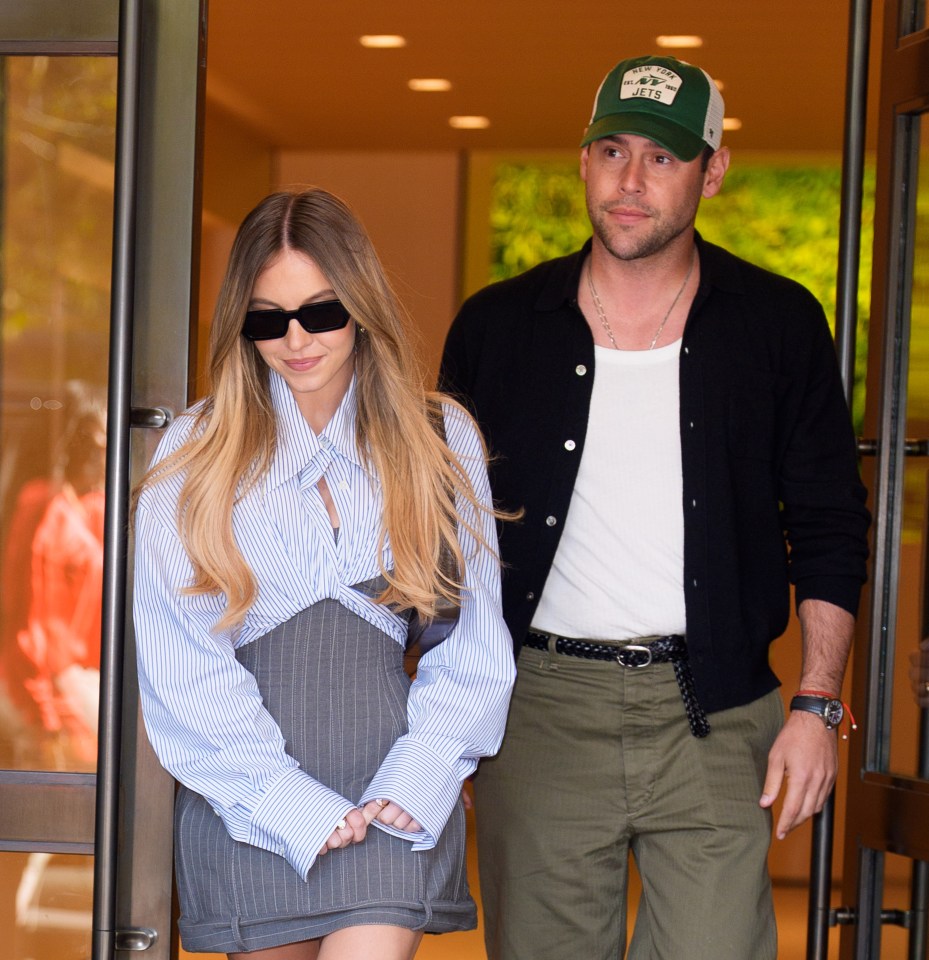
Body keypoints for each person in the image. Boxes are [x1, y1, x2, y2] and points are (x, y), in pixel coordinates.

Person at [439, 54, 871, 960]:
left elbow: (830, 524)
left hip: (714, 712)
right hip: (540, 713)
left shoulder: (776, 323)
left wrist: (817, 705)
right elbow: (446, 533)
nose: (630, 182)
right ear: (584, 159)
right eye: (612, 151)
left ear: (711, 171)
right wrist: (445, 711)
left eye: (663, 159)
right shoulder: (497, 326)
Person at [132, 188, 514, 959]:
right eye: (267, 319)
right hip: (247, 799)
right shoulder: (193, 452)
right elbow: (182, 666)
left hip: (390, 794)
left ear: (362, 305)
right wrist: (286, 800)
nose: (295, 339)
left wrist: (422, 773)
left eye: (321, 312)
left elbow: (471, 644)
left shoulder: (439, 438)